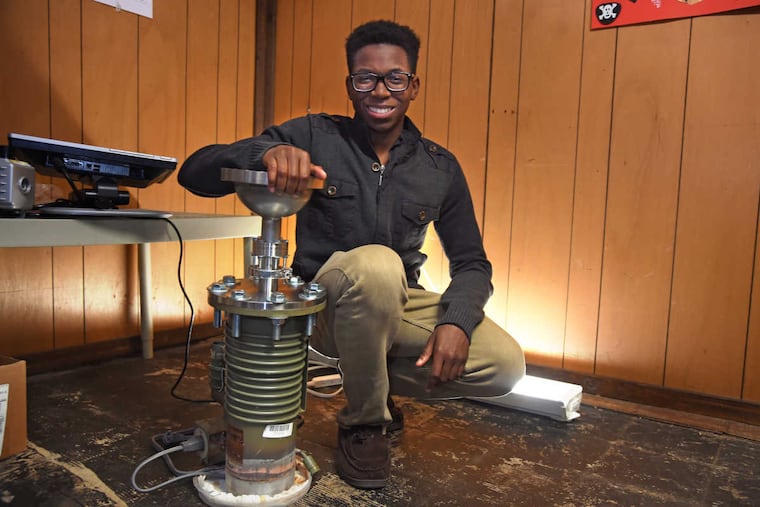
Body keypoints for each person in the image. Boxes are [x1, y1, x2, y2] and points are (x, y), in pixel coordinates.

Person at [178, 20, 525, 490]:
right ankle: (365, 423)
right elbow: (195, 171)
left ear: (413, 86)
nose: (380, 90)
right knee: (377, 265)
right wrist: (268, 152)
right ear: (351, 85)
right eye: (366, 78)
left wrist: (456, 322)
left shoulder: (439, 167)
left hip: (393, 302)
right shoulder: (315, 136)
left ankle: (373, 387)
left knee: (504, 365)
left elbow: (472, 264)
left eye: (394, 78)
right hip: (316, 304)